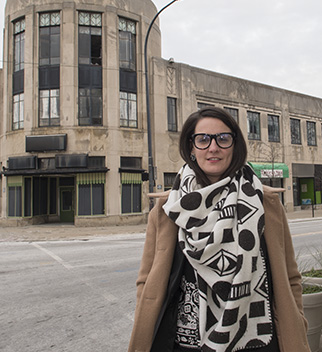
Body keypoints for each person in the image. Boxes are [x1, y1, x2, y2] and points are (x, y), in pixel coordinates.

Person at [128, 107, 309, 352]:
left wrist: (297, 321)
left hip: (254, 341)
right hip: (185, 344)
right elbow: (146, 280)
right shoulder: (168, 209)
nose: (213, 148)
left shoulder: (266, 204)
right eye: (203, 139)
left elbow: (290, 277)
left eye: (223, 139)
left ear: (235, 145)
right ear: (191, 148)